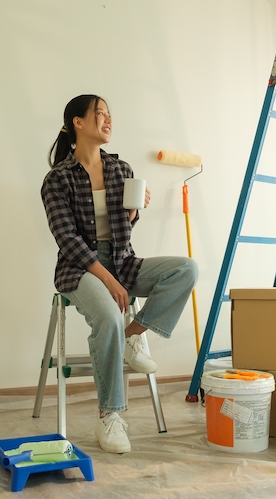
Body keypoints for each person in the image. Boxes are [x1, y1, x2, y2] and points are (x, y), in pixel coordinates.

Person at [40, 94, 199, 454]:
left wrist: (133, 212)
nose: (108, 120)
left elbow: (124, 227)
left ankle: (132, 335)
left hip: (123, 259)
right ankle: (109, 416)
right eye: (100, 114)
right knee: (108, 315)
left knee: (186, 269)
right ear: (78, 122)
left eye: (110, 115)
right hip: (79, 267)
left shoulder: (121, 169)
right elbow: (66, 239)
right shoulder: (57, 179)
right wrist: (109, 281)